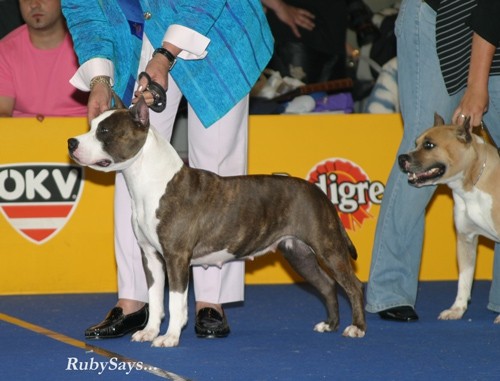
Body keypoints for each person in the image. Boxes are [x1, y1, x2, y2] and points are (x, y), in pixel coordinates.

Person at [61, 0, 273, 339]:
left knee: (218, 164)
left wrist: (166, 55)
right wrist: (100, 78)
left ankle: (210, 300)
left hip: (215, 28)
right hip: (142, 35)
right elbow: (84, 10)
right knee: (128, 157)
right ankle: (134, 299)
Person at [366, 0, 500, 321]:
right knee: (423, 155)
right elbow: (490, 10)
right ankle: (390, 290)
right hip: (438, 16)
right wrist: (476, 87)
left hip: (493, 32)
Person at [0, 0, 87, 117]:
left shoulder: (90, 47)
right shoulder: (4, 50)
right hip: (24, 132)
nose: (34, 4)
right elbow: (2, 114)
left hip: (83, 131)